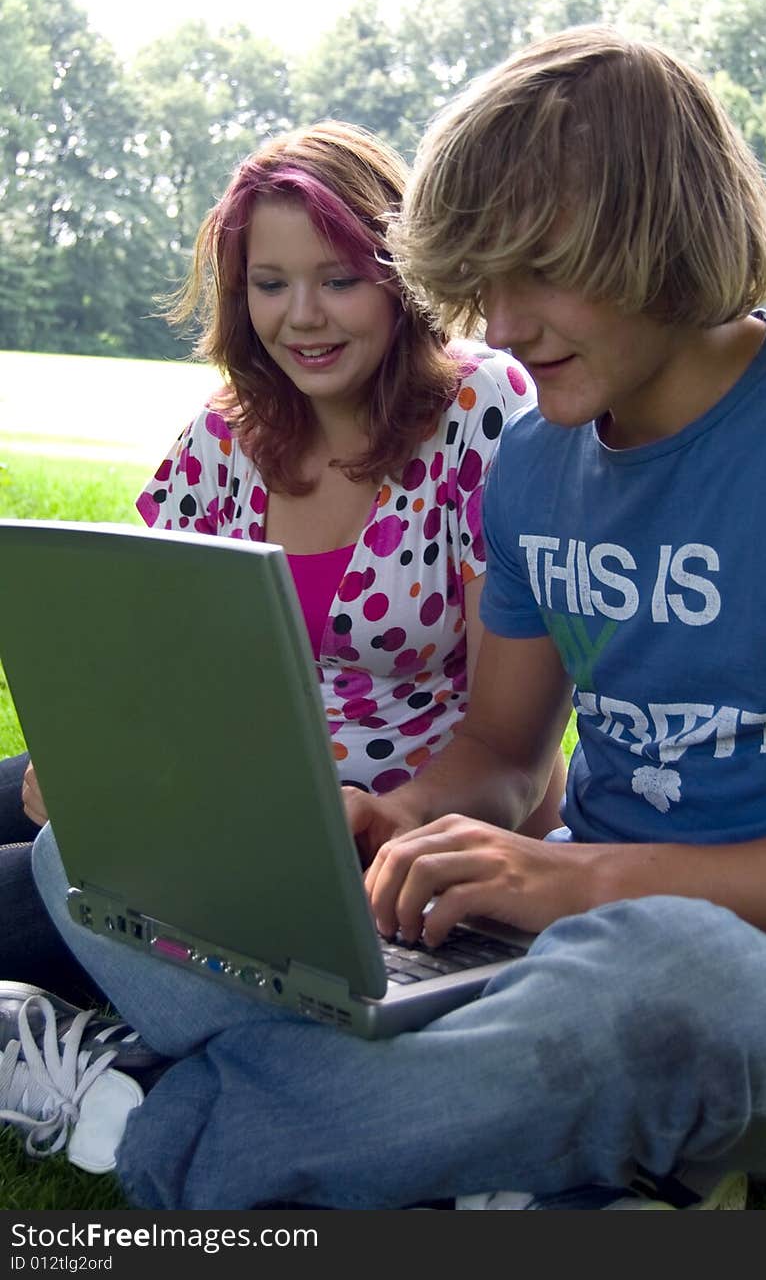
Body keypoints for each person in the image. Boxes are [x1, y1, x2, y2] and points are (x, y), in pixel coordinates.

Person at [5, 24, 766, 1211]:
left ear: (663, 232)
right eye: (479, 282)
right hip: (541, 939)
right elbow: (503, 755)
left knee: (660, 978)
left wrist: (581, 886)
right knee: (90, 854)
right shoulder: (534, 462)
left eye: (537, 273)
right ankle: (511, 1153)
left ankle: (159, 1120)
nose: (502, 326)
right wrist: (390, 822)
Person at [0, 120, 562, 997]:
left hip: (378, 835)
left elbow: (511, 743)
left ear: (401, 275)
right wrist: (94, 766)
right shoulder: (225, 435)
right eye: (270, 284)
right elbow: (147, 657)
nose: (302, 317)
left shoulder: (481, 407)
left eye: (339, 280)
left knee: (16, 897)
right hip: (220, 802)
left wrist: (393, 822)